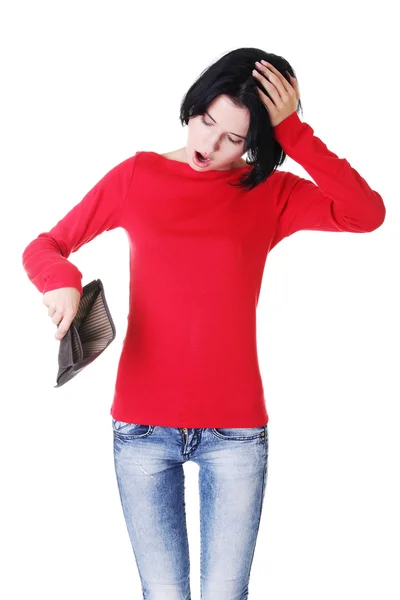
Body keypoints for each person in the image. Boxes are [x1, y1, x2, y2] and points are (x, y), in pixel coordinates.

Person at [21, 47, 386, 599]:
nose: (208, 146)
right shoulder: (137, 176)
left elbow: (367, 213)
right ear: (193, 105)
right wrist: (60, 279)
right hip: (141, 430)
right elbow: (46, 245)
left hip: (236, 433)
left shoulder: (271, 193)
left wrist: (296, 132)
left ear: (258, 142)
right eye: (206, 121)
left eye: (233, 139)